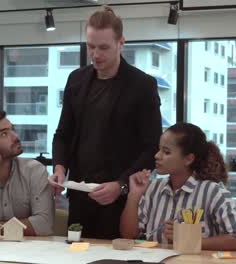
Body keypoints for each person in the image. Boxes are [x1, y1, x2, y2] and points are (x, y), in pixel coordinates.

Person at [49, 6, 162, 239]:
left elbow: (152, 147)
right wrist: (59, 167)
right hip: (80, 195)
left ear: (121, 43)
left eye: (103, 47)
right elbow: (63, 134)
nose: (96, 55)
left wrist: (121, 185)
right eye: (90, 46)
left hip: (121, 200)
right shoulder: (76, 79)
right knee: (76, 256)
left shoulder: (142, 85)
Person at [120, 122, 236, 251]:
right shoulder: (153, 188)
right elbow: (128, 235)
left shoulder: (212, 192)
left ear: (188, 159)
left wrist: (187, 239)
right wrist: (134, 196)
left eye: (166, 152)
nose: (157, 156)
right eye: (159, 149)